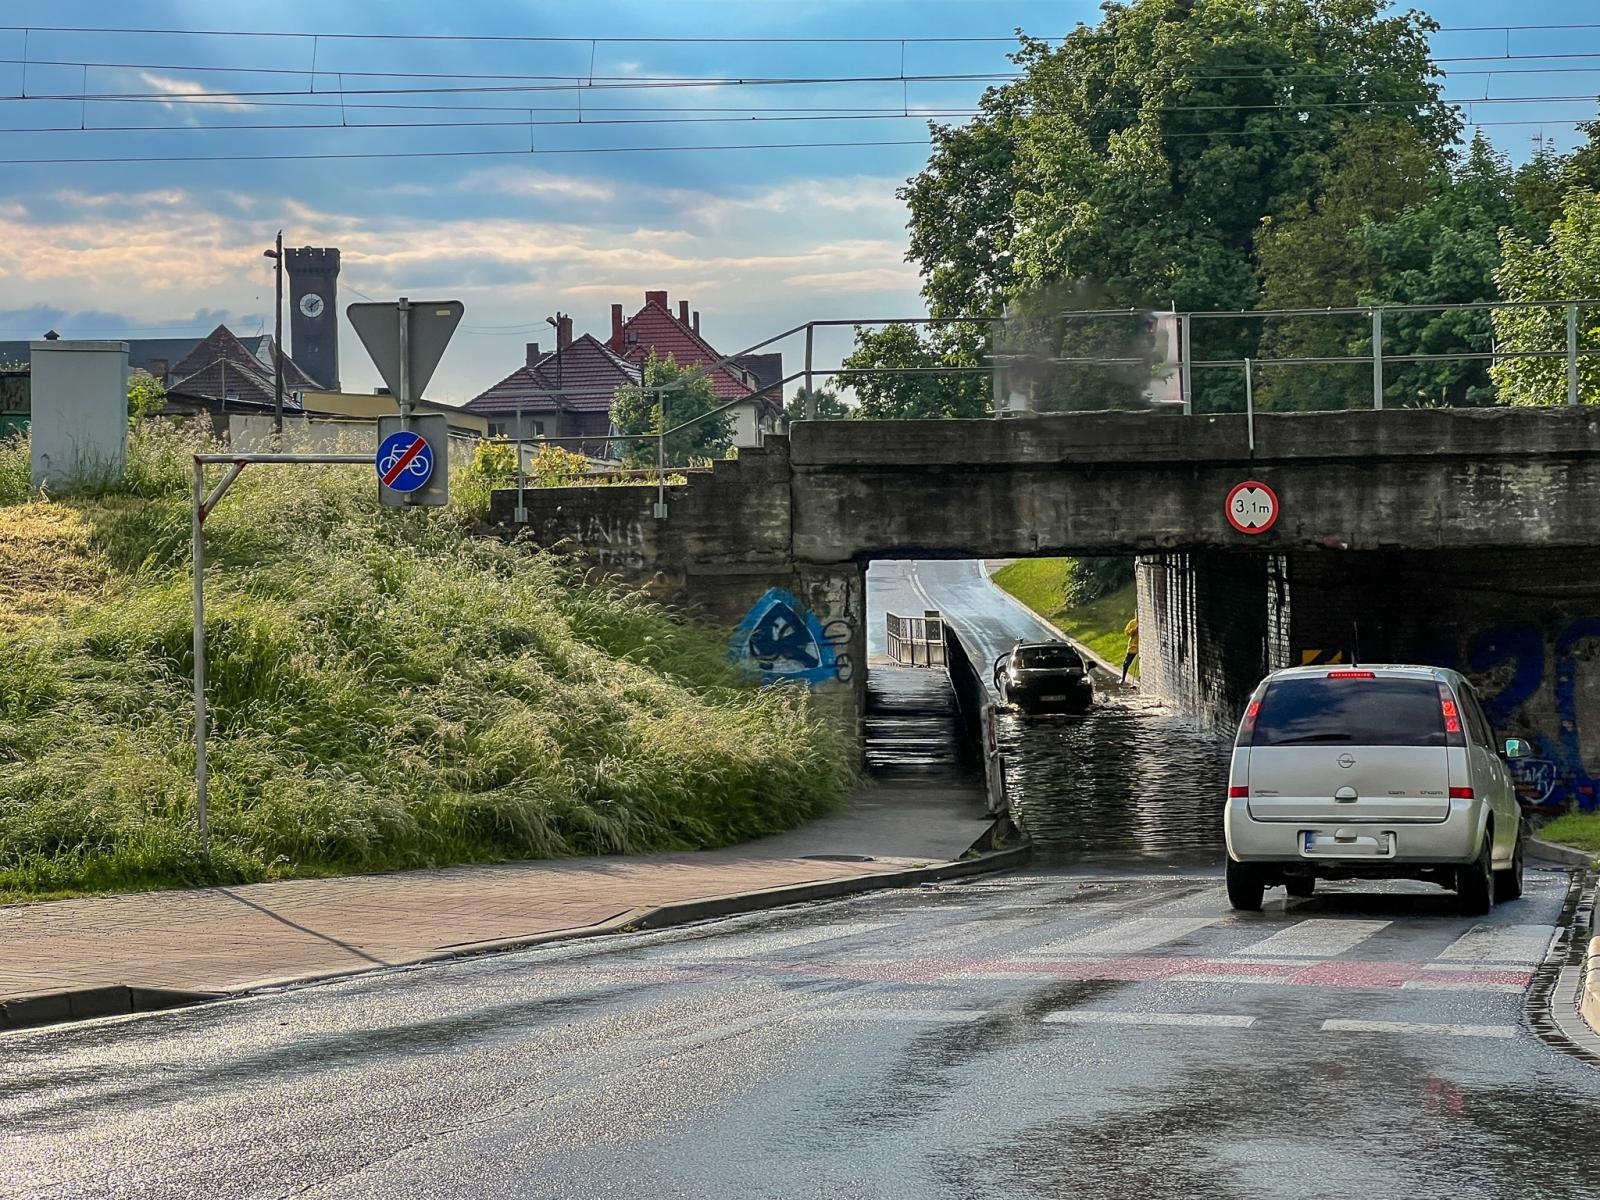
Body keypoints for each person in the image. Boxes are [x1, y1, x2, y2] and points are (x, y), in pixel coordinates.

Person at [1120, 616, 1139, 684]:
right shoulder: (1132, 622)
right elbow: (1127, 632)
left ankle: (1140, 678)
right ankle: (1123, 678)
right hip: (1133, 646)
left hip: (1140, 646)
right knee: (1126, 663)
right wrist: (1134, 630)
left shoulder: (1143, 622)